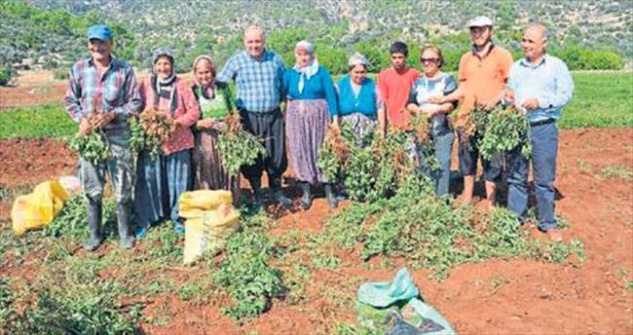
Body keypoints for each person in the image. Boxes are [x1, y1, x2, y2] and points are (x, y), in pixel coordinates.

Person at [64, 24, 141, 250]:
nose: (97, 47)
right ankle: (95, 234)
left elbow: (135, 102)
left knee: (123, 186)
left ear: (111, 44)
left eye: (102, 42)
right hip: (90, 139)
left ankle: (125, 233)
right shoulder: (79, 69)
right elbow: (70, 100)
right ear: (89, 44)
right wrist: (82, 120)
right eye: (93, 42)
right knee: (92, 186)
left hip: (118, 136)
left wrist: (112, 115)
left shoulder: (124, 69)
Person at [430, 16, 514, 208]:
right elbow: (463, 88)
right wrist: (444, 98)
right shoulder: (466, 59)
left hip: (492, 118)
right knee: (467, 159)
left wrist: (494, 101)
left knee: (491, 160)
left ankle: (491, 203)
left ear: (490, 30)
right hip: (467, 118)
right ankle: (468, 199)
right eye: (474, 30)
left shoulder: (502, 55)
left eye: (481, 30)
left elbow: (510, 86)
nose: (478, 34)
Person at [504, 23, 574, 242]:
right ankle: (515, 219)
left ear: (544, 43)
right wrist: (506, 98)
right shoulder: (516, 67)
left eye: (530, 41)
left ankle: (547, 223)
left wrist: (541, 102)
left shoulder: (556, 66)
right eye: (523, 40)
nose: (525, 45)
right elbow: (509, 91)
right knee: (516, 176)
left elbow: (566, 94)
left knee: (543, 179)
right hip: (518, 127)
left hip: (543, 127)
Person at [215, 25, 290, 207]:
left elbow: (285, 84)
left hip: (273, 115)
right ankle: (257, 193)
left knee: (276, 153)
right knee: (252, 156)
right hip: (248, 117)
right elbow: (220, 83)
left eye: (258, 41)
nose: (254, 45)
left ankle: (276, 190)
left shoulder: (275, 59)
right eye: (250, 42)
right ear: (244, 42)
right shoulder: (236, 61)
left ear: (263, 41)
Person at [136, 48, 200, 236]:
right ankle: (148, 218)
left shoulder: (182, 85)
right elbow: (136, 107)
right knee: (149, 180)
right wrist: (147, 121)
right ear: (154, 66)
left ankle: (178, 218)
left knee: (178, 180)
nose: (163, 68)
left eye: (166, 64)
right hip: (152, 142)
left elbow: (194, 111)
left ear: (172, 65)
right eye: (159, 64)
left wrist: (176, 124)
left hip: (178, 141)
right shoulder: (146, 84)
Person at [283, 41, 339, 209]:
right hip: (297, 120)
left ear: (312, 55)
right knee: (300, 150)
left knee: (322, 149)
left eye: (306, 54)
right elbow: (285, 95)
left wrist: (335, 120)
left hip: (320, 118)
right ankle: (306, 190)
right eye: (299, 54)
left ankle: (328, 188)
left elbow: (331, 96)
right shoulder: (290, 74)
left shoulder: (321, 72)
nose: (303, 57)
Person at [406, 45, 457, 197]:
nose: (427, 63)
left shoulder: (446, 79)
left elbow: (452, 104)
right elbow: (410, 103)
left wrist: (437, 110)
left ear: (439, 61)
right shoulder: (418, 82)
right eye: (423, 60)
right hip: (423, 129)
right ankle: (427, 196)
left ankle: (441, 198)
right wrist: (419, 111)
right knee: (424, 162)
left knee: (442, 161)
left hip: (442, 128)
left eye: (431, 60)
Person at [190, 55, 241, 208]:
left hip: (226, 136)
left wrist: (235, 120)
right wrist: (200, 123)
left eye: (207, 72)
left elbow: (233, 108)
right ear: (195, 74)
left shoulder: (223, 87)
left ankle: (228, 204)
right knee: (207, 169)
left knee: (228, 168)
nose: (204, 76)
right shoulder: (193, 91)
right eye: (200, 73)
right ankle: (208, 205)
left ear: (213, 71)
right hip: (205, 137)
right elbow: (189, 120)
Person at [336, 52, 383, 146]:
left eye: (362, 72)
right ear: (350, 71)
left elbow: (380, 107)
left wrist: (381, 130)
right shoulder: (339, 86)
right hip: (346, 131)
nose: (360, 75)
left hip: (368, 131)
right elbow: (333, 109)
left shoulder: (373, 86)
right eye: (356, 72)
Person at [377, 42, 420, 135]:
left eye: (400, 57)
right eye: (394, 58)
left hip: (411, 124)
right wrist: (386, 125)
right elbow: (383, 102)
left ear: (406, 57)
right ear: (390, 58)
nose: (397, 61)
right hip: (391, 124)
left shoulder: (414, 74)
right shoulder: (383, 76)